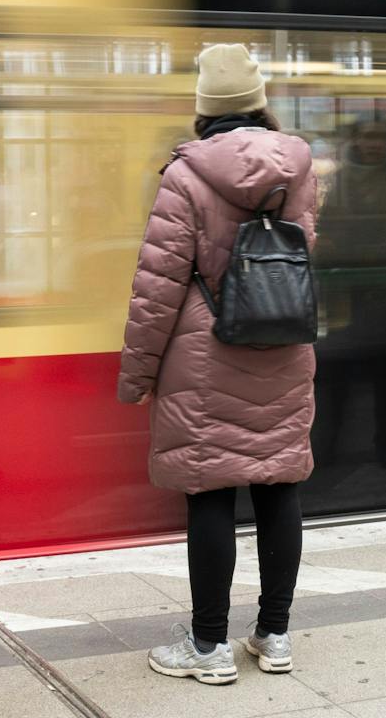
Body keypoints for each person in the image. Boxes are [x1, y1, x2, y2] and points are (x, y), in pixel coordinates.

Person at [117, 44, 319, 684]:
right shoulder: (299, 168)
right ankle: (275, 634)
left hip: (205, 355)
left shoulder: (185, 175)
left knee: (210, 492)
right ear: (261, 103)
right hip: (284, 343)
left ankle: (208, 648)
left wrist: (137, 376)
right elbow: (303, 252)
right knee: (278, 484)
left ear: (205, 108)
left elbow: (159, 287)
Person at [313, 118, 386, 470]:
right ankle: (331, 442)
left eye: (381, 138)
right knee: (338, 376)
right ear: (357, 140)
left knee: (384, 375)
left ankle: (385, 441)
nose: (374, 144)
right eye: (368, 137)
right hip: (347, 292)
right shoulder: (340, 182)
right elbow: (325, 231)